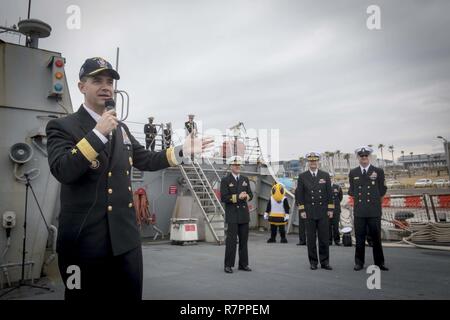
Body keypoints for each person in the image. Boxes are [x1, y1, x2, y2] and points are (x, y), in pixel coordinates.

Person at [46, 57, 213, 300]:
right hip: (84, 245)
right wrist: (97, 134)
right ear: (82, 86)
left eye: (110, 82)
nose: (106, 86)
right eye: (97, 80)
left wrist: (181, 151)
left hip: (125, 242)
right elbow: (63, 170)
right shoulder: (62, 126)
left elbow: (146, 159)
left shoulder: (121, 129)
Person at [348, 146, 388, 271]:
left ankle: (380, 263)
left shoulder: (378, 171)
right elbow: (352, 190)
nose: (364, 158)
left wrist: (375, 201)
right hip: (359, 211)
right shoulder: (353, 172)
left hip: (374, 210)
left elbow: (382, 190)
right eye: (361, 156)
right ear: (358, 158)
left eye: (366, 156)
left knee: (376, 238)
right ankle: (359, 262)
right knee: (359, 238)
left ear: (369, 157)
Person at [295, 152, 334, 270]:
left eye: (315, 161)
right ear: (308, 162)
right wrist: (302, 210)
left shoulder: (325, 175)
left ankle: (325, 262)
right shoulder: (302, 177)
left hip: (323, 212)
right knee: (311, 239)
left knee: (324, 238)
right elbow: (299, 195)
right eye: (311, 161)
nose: (313, 163)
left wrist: (330, 209)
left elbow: (329, 194)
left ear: (318, 162)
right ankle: (313, 262)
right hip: (309, 212)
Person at [221, 156, 253, 273]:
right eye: (235, 165)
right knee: (231, 242)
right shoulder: (225, 180)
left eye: (239, 165)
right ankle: (228, 265)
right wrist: (237, 197)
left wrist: (247, 196)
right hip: (233, 215)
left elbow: (251, 194)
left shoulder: (245, 179)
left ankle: (243, 264)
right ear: (231, 166)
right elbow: (224, 197)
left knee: (244, 241)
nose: (238, 166)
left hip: (244, 214)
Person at [329, 174, 343, 246]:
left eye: (331, 177)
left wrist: (336, 205)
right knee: (328, 226)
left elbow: (340, 197)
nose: (330, 179)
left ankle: (337, 240)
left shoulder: (337, 187)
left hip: (336, 209)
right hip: (327, 210)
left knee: (336, 226)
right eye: (328, 178)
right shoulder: (324, 187)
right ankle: (329, 241)